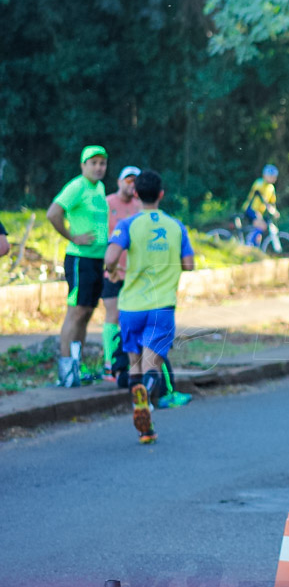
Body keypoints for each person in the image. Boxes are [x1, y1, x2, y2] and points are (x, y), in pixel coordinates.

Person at [104, 170, 195, 443]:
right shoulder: (176, 226)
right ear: (161, 194)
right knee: (151, 364)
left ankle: (145, 427)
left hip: (131, 306)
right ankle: (147, 394)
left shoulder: (128, 224)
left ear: (136, 194)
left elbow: (110, 257)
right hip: (161, 305)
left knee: (134, 364)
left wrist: (113, 272)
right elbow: (189, 265)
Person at [47, 145, 110, 387]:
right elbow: (53, 213)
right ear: (83, 165)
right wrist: (72, 236)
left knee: (86, 313)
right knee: (76, 312)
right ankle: (66, 370)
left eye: (102, 163)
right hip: (79, 259)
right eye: (93, 163)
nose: (98, 167)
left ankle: (78, 365)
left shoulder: (100, 188)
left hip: (97, 260)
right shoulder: (77, 186)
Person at [101, 166, 142, 381]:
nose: (131, 184)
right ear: (119, 181)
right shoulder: (107, 203)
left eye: (135, 181)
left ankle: (129, 363)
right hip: (111, 270)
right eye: (128, 180)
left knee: (131, 318)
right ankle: (110, 362)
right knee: (112, 314)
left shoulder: (140, 207)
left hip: (133, 272)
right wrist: (110, 266)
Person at [243, 164, 280, 245]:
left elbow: (272, 202)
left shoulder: (271, 188)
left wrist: (275, 211)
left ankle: (254, 248)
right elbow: (258, 194)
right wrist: (268, 206)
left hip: (259, 212)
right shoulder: (259, 183)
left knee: (259, 234)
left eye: (274, 176)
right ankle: (248, 242)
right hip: (251, 208)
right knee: (262, 225)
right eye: (270, 176)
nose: (273, 178)